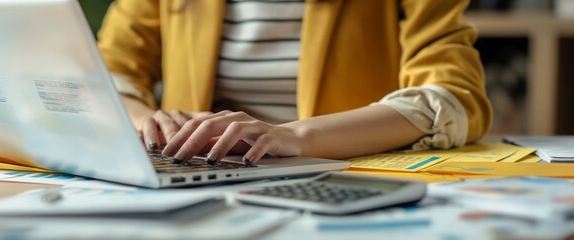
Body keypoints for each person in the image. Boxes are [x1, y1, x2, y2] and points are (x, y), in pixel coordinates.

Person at [97, 0, 492, 165]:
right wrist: (151, 124)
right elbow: (107, 74)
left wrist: (298, 137)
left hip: (339, 173)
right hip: (200, 175)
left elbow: (452, 96)